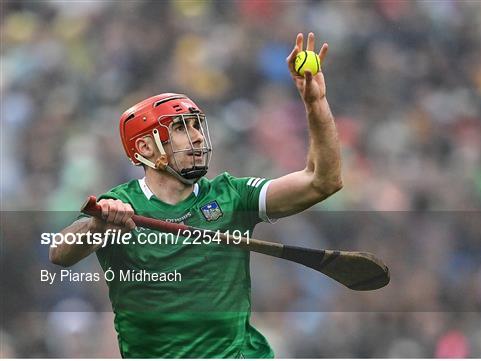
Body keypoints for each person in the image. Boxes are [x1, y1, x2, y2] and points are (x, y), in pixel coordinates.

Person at [50, 33, 342, 358]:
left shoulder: (232, 195)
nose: (197, 138)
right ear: (145, 148)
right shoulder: (119, 204)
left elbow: (322, 182)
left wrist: (315, 105)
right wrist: (97, 228)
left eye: (196, 127)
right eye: (180, 129)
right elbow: (59, 253)